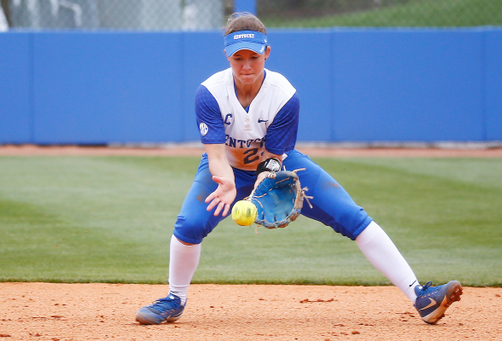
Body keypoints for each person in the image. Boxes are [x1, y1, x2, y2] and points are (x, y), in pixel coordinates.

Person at [136, 12, 462, 326]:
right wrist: (227, 183)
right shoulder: (210, 93)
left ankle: (421, 295)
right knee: (189, 223)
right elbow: (215, 154)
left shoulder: (284, 95)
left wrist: (265, 188)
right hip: (227, 166)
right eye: (238, 58)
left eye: (254, 56)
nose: (246, 65)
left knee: (351, 215)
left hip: (280, 165)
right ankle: (174, 299)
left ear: (267, 52)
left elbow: (273, 157)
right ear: (226, 56)